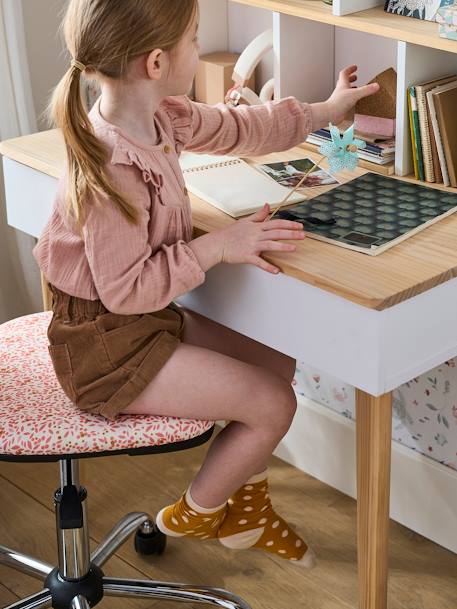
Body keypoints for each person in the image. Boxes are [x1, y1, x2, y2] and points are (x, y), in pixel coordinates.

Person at [33, 0, 379, 567]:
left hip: (139, 324)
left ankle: (247, 514)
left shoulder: (161, 116)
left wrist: (326, 109)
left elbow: (243, 128)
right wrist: (220, 244)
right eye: (195, 39)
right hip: (103, 350)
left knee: (274, 361)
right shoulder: (110, 170)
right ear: (156, 61)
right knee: (272, 403)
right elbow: (127, 292)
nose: (200, 49)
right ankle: (198, 509)